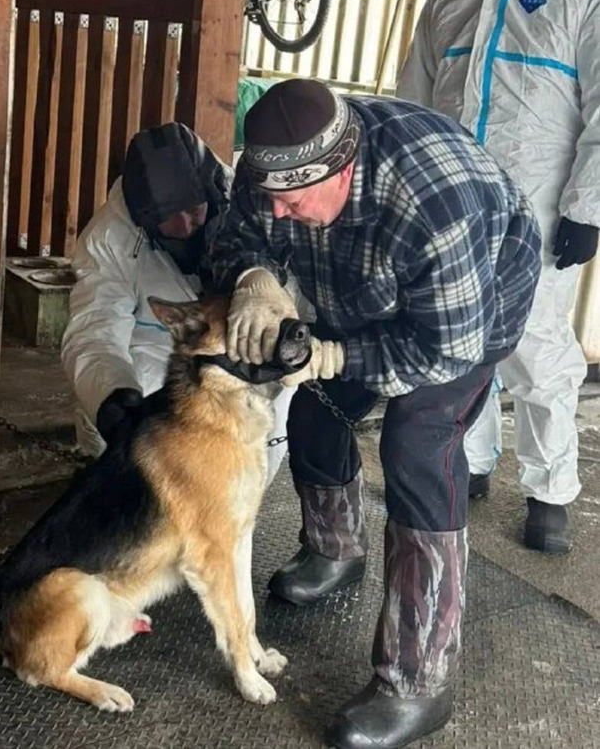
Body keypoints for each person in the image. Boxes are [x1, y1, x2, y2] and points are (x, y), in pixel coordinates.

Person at [208, 77, 541, 749]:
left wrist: (332, 355)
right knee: (314, 411)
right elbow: (243, 228)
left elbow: (442, 352)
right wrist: (253, 278)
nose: (277, 213)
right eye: (269, 198)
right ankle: (334, 552)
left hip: (466, 315)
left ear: (343, 169)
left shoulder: (439, 200)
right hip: (359, 282)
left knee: (416, 450)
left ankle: (417, 682)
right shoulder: (277, 167)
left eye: (292, 203)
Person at [397, 0, 600, 555]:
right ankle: (474, 459)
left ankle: (550, 490)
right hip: (456, 210)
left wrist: (587, 208)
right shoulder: (448, 2)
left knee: (538, 351)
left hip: (542, 213)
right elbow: (414, 106)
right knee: (459, 342)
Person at [61, 122, 291, 480]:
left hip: (245, 353)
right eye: (168, 218)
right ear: (143, 218)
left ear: (213, 192)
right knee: (130, 459)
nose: (185, 227)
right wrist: (111, 399)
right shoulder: (109, 238)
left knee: (261, 439)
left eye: (194, 210)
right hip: (157, 353)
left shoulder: (248, 206)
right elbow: (96, 329)